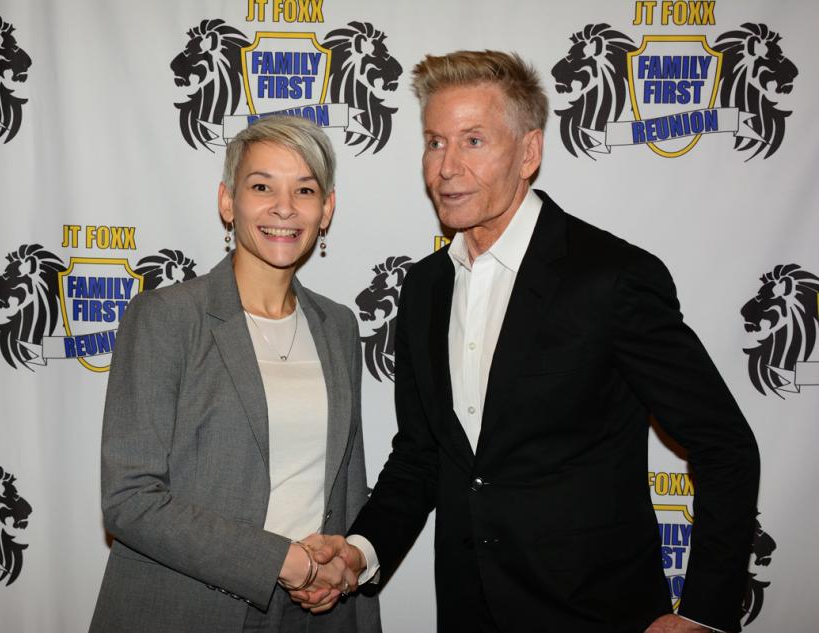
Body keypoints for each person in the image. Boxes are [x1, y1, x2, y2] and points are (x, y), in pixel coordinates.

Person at [298, 51, 760, 633]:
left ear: (529, 153)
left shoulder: (612, 278)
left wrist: (703, 613)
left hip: (595, 615)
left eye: (473, 141)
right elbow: (423, 455)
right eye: (435, 142)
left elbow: (725, 444)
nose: (446, 167)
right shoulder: (425, 287)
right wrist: (360, 551)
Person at [89, 115, 381, 633]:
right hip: (188, 609)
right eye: (262, 186)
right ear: (227, 202)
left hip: (314, 611)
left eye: (305, 190)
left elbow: (346, 489)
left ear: (327, 210)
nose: (284, 207)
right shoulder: (167, 317)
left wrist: (339, 569)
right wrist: (282, 561)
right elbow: (129, 499)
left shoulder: (337, 326)